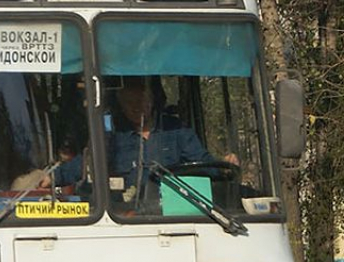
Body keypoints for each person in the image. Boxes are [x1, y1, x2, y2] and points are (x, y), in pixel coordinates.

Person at [41, 76, 237, 202]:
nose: (135, 107)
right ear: (120, 103)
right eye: (129, 102)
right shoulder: (112, 135)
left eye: (140, 101)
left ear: (152, 99)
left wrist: (224, 166)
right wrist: (50, 177)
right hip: (126, 218)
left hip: (171, 216)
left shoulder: (176, 131)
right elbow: (88, 163)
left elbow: (203, 163)